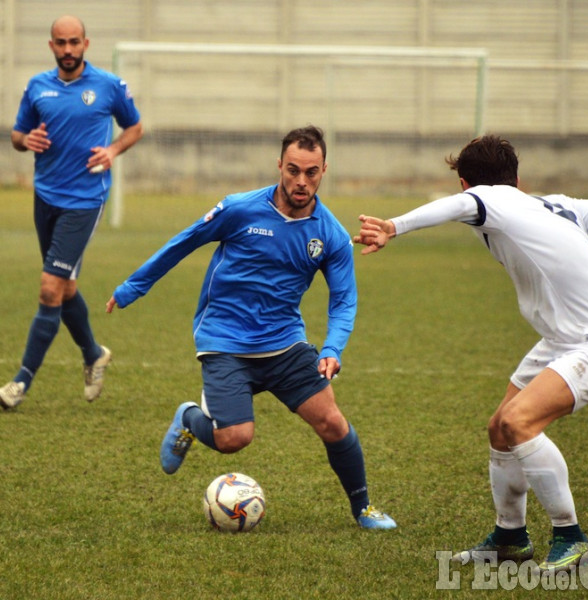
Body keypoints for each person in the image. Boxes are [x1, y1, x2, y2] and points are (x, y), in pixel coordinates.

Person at [353, 135, 588, 570]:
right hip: (564, 339)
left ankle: (570, 536)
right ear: (518, 177)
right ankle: (509, 539)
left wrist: (393, 226)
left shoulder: (487, 199)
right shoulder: (549, 203)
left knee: (519, 423)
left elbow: (460, 206)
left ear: (466, 183)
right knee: (500, 429)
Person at [106, 125, 396, 530]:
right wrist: (132, 287)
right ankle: (190, 418)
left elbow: (344, 299)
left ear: (324, 170)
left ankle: (363, 508)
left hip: (284, 342)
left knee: (332, 422)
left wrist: (332, 348)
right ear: (279, 165)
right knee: (234, 439)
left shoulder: (329, 233)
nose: (301, 181)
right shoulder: (240, 209)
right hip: (224, 338)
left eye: (311, 172)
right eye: (293, 170)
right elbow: (185, 241)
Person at [1, 16, 143, 410]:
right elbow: (16, 135)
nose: (68, 49)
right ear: (51, 46)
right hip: (45, 198)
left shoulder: (108, 86)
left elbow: (135, 127)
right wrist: (24, 139)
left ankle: (20, 382)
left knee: (49, 286)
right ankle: (94, 353)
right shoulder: (37, 86)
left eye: (74, 42)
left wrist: (112, 151)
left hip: (84, 200)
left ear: (86, 43)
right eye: (61, 43)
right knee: (65, 289)